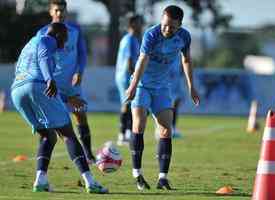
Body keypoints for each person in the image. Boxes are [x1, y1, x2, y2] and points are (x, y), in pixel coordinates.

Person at [11, 23, 108, 194]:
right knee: (68, 134)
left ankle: (40, 180)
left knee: (48, 135)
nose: (64, 44)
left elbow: (35, 80)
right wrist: (49, 79)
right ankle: (90, 182)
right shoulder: (47, 40)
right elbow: (43, 60)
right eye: (64, 39)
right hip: (36, 85)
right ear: (57, 35)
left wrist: (67, 98)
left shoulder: (30, 44)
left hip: (17, 90)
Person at [126, 5, 200, 190]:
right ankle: (138, 174)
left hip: (162, 88)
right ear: (162, 20)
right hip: (142, 84)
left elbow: (187, 60)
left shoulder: (184, 37)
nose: (167, 29)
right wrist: (133, 86)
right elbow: (142, 60)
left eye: (172, 27)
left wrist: (191, 87)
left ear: (180, 25)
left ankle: (162, 178)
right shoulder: (151, 35)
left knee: (166, 130)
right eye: (165, 24)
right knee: (139, 125)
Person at [36, 0, 95, 163]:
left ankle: (89, 154)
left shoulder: (75, 30)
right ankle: (42, 160)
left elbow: (82, 54)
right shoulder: (42, 33)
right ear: (50, 12)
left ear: (66, 11)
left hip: (71, 83)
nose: (59, 13)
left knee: (81, 115)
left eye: (62, 10)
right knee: (48, 125)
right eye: (56, 10)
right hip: (51, 84)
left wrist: (79, 72)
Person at [115, 14, 143, 146]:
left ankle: (127, 133)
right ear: (131, 24)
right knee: (127, 104)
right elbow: (129, 61)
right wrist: (134, 78)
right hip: (126, 76)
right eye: (138, 23)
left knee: (130, 104)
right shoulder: (130, 39)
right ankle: (122, 134)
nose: (141, 25)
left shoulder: (132, 39)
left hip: (125, 76)